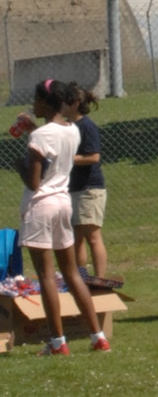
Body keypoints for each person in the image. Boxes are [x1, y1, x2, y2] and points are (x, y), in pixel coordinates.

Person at [19, 79, 108, 356]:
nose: (32, 105)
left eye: (35, 100)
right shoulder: (71, 130)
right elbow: (55, 152)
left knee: (46, 274)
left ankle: (58, 342)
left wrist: (19, 164)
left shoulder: (39, 137)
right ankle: (98, 336)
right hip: (63, 203)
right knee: (72, 272)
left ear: (46, 103)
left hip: (41, 206)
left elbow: (34, 181)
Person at [70, 87, 123, 291]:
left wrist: (68, 158)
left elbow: (93, 156)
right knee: (76, 238)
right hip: (73, 189)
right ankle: (81, 278)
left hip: (89, 189)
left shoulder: (87, 126)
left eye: (65, 101)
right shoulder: (68, 126)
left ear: (75, 103)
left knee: (92, 237)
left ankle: (100, 281)